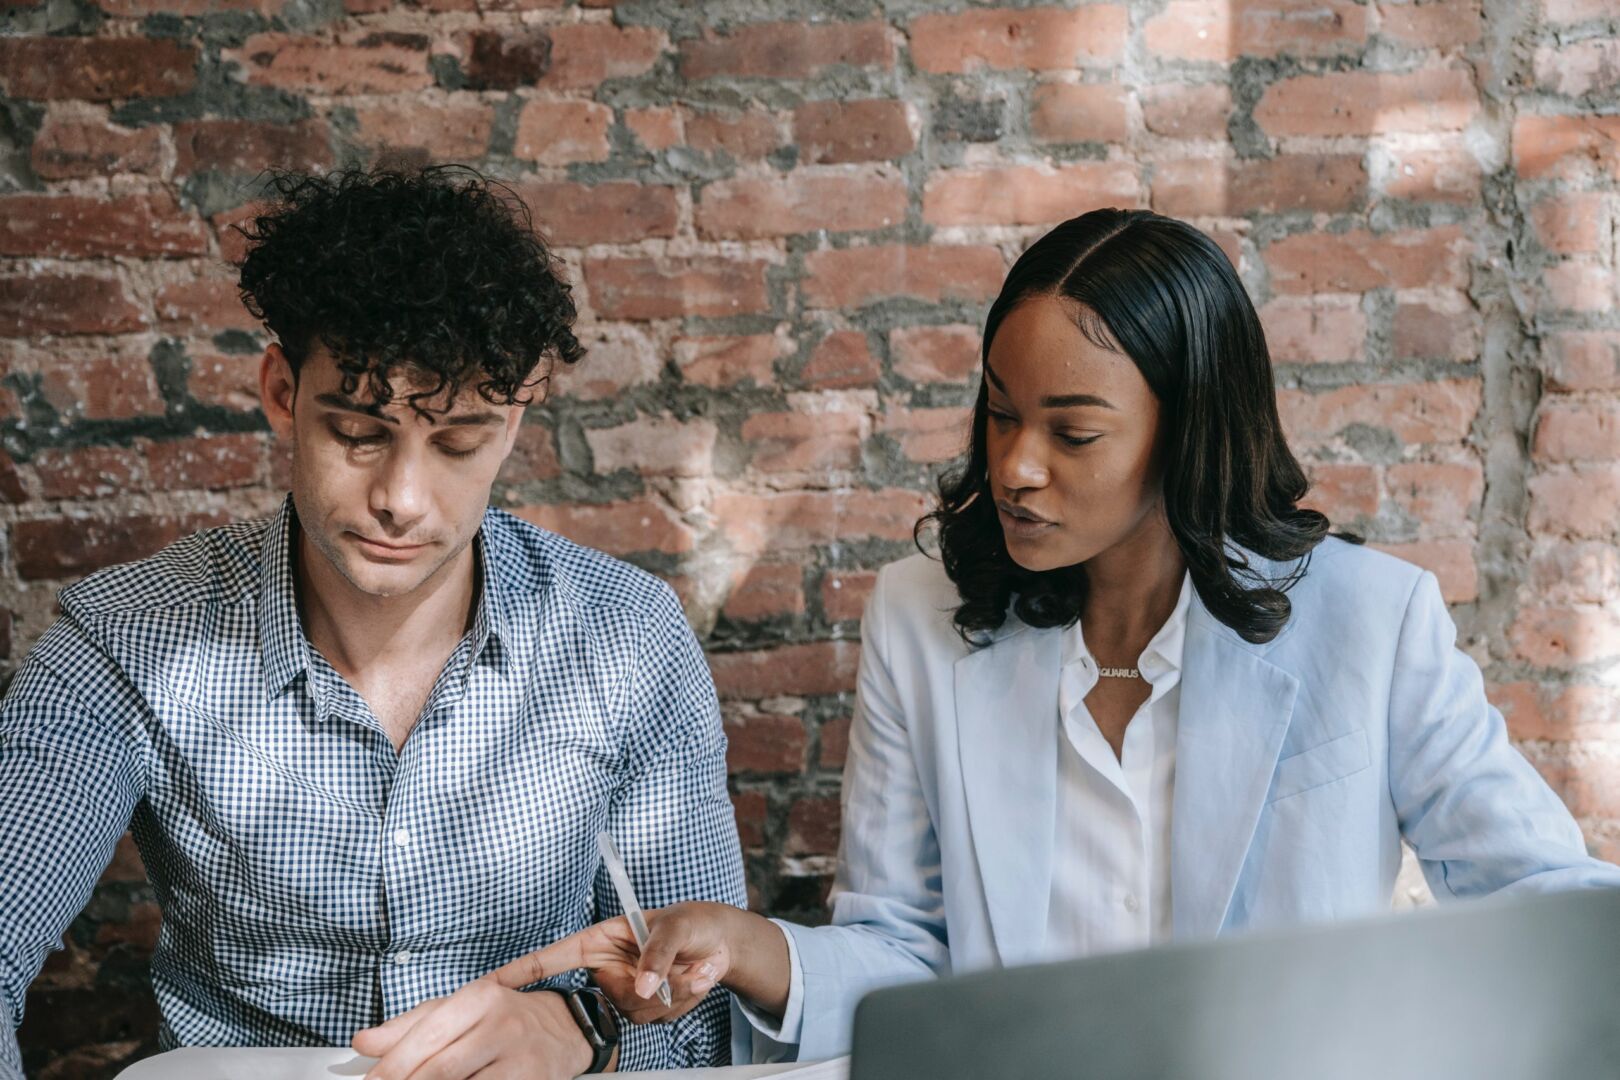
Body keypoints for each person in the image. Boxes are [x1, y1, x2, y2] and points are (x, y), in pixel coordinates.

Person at [499, 208, 1620, 1063]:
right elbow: (906, 954)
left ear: (1186, 432)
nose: (1016, 466)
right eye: (999, 413)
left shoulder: (1373, 622)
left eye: (1072, 433)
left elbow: (1550, 912)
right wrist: (748, 948)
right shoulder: (922, 621)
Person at [0, 166, 744, 1079]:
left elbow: (703, 1012)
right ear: (281, 392)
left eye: (459, 443)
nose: (400, 498)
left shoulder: (629, 637)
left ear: (514, 423)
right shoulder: (125, 640)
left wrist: (586, 1034)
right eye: (358, 433)